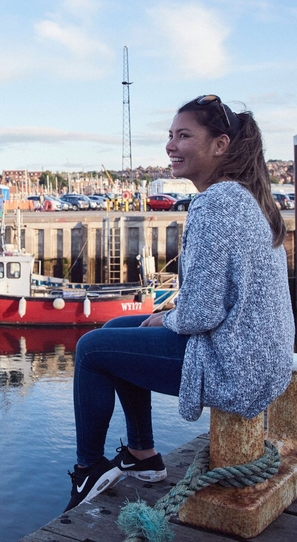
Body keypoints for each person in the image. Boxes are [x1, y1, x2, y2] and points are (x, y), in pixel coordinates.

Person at [65, 94, 295, 512]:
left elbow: (202, 312)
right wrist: (167, 317)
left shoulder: (216, 203)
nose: (171, 145)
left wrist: (167, 320)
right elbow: (215, 302)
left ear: (220, 145)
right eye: (170, 135)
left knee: (91, 350)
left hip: (237, 365)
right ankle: (142, 457)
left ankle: (88, 468)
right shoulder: (247, 198)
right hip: (261, 356)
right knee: (117, 331)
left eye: (184, 135)